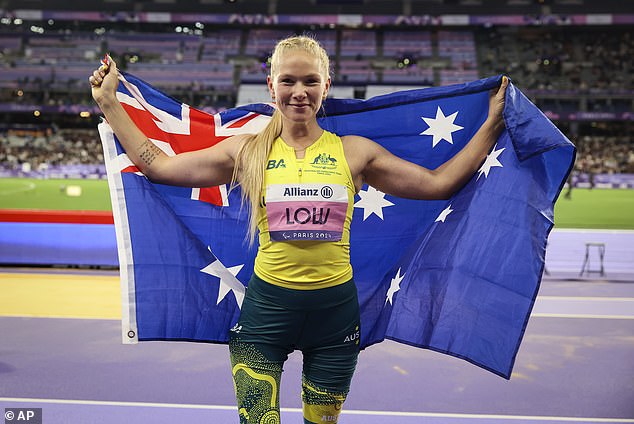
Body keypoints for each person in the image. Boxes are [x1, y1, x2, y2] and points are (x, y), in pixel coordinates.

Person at [90, 35, 508, 424]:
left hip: (335, 321)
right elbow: (158, 166)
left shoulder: (355, 152)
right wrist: (110, 104)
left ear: (327, 85)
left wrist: (490, 125)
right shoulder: (247, 151)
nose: (299, 91)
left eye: (310, 81)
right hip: (266, 316)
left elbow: (438, 184)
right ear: (271, 86)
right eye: (288, 81)